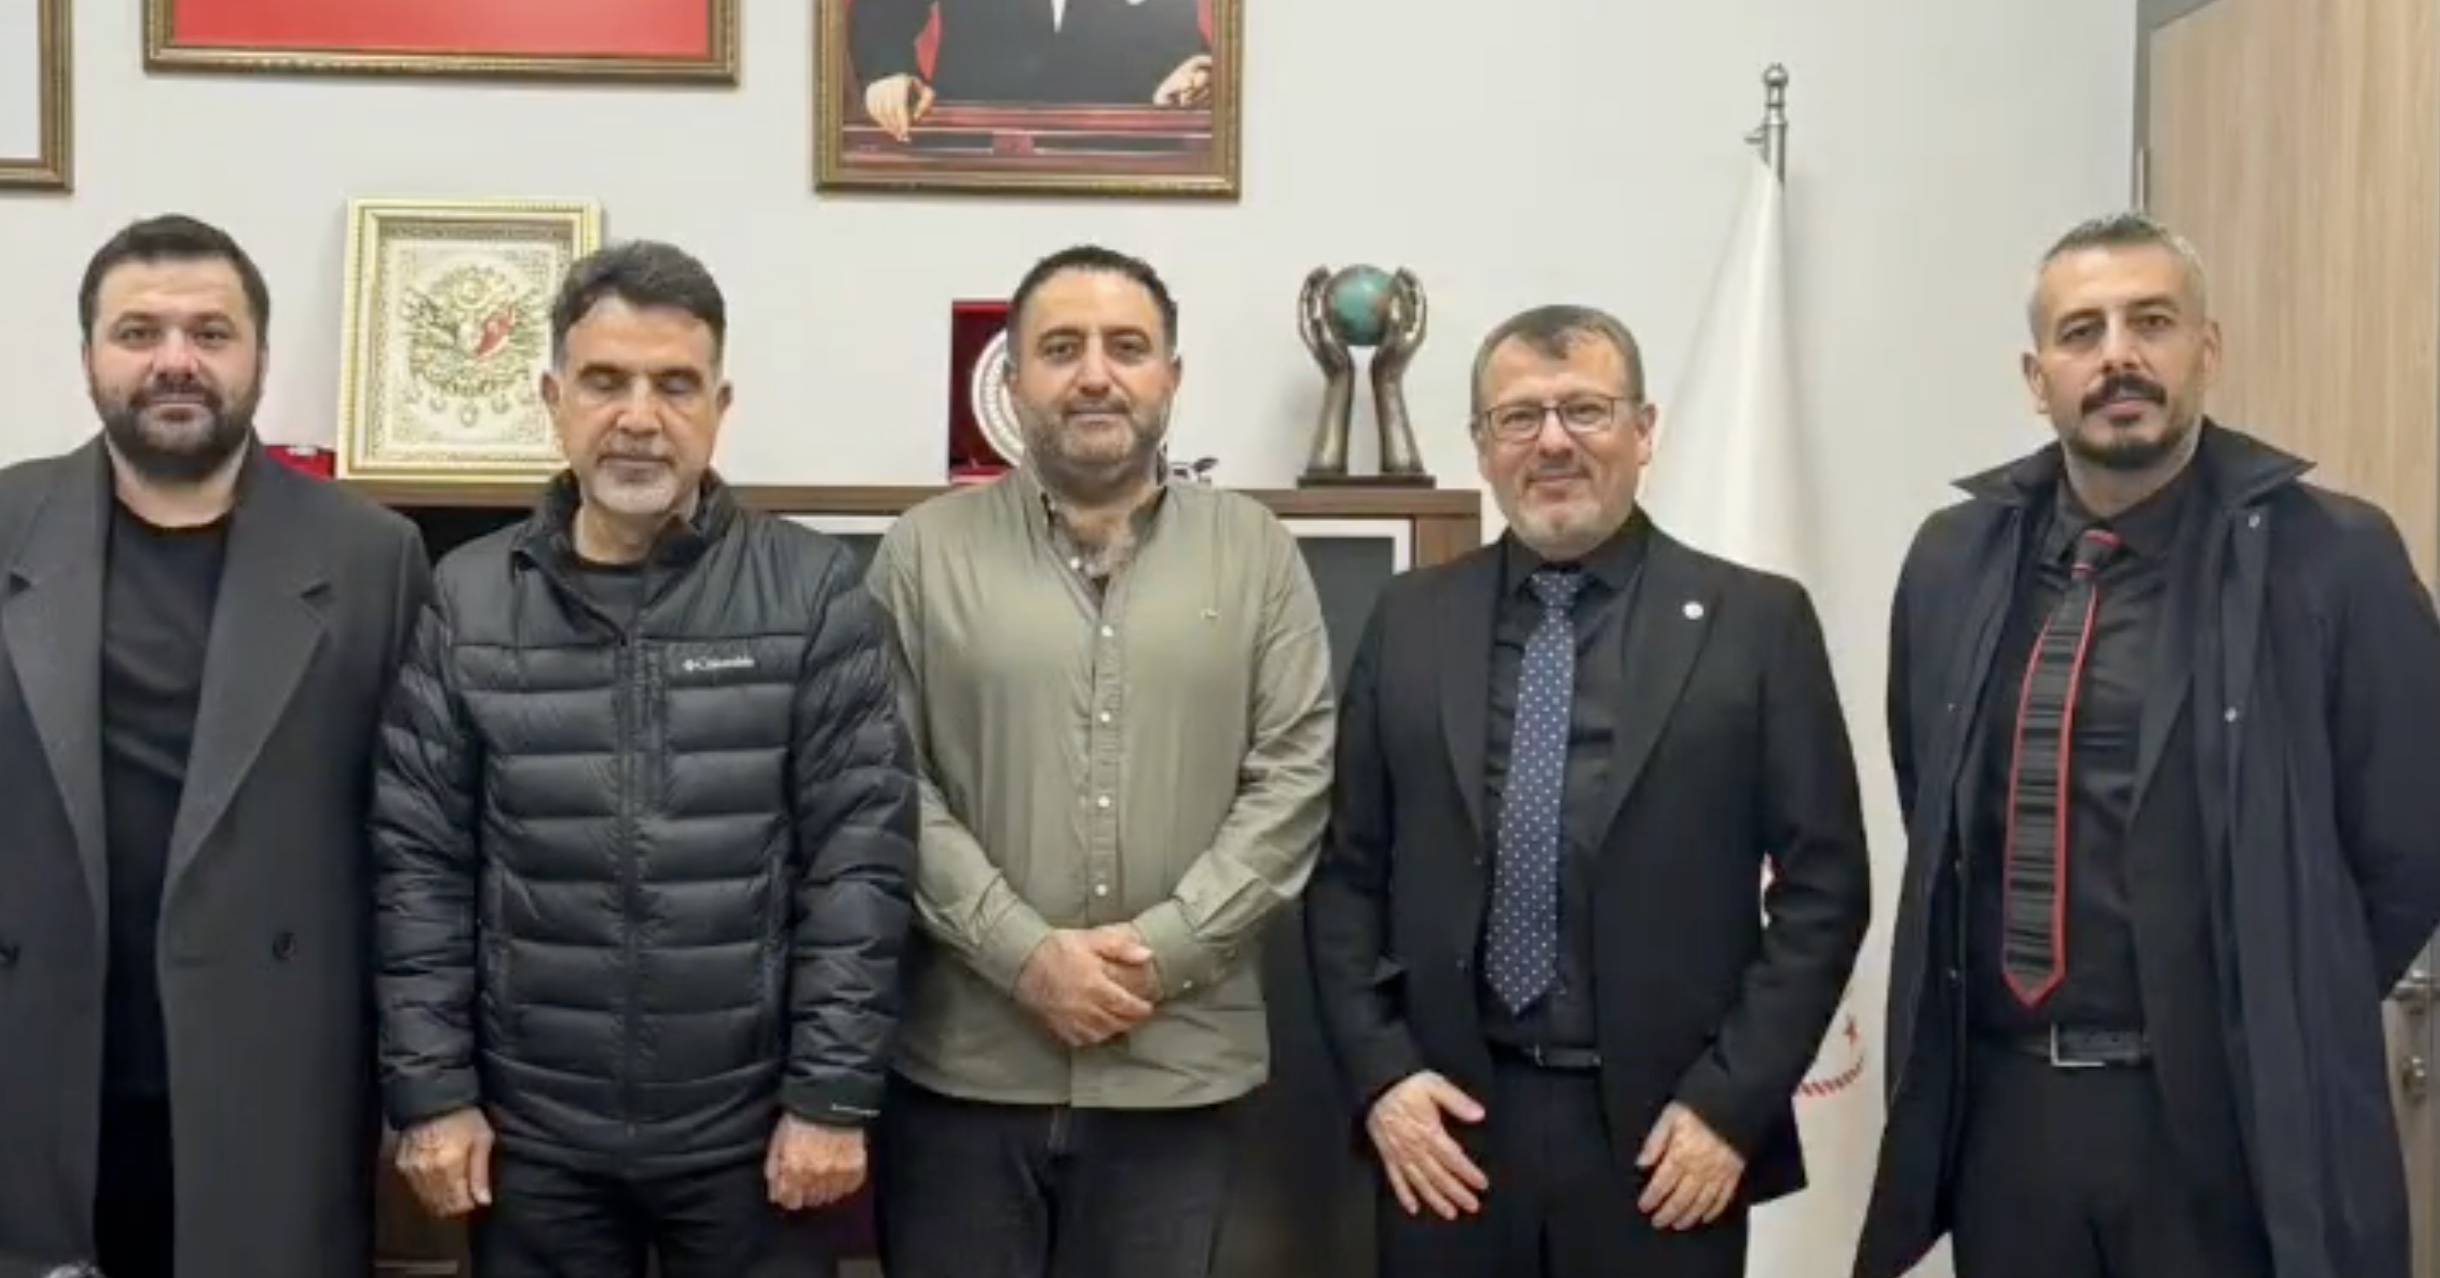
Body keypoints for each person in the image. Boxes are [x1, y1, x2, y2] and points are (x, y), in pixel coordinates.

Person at [1854, 212, 2440, 1278]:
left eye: (2152, 323)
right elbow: (1930, 796)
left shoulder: (2334, 558)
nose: (2117, 356)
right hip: (2008, 1116)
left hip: (2225, 1121)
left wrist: (2285, 993)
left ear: (2206, 350)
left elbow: (2409, 843)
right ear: (2036, 377)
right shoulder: (1953, 559)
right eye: (2082, 332)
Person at [371, 240, 917, 1278]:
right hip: (534, 1142)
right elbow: (419, 867)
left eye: (674, 385)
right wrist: (433, 1094)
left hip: (757, 1139)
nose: (638, 417)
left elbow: (861, 863)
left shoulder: (812, 594)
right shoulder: (468, 598)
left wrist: (830, 1098)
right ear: (553, 399)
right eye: (604, 381)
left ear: (719, 406)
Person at [1305, 304, 1871, 1278]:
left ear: (1643, 432)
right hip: (1447, 1138)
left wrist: (1729, 1104)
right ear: (1482, 447)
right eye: (1519, 418)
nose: (1553, 442)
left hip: (1665, 1144)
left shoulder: (1755, 623)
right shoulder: (1410, 619)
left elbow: (1826, 888)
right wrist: (1382, 1079)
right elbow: (1346, 873)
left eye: (1585, 410)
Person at [865, 244, 1333, 1278]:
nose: (1094, 375)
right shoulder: (922, 553)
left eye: (1126, 347)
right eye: (1060, 348)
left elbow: (1294, 780)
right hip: (966, 1073)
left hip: (1179, 1073)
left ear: (1172, 375)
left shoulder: (1256, 553)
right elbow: (887, 783)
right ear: (1012, 379)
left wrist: (1163, 951)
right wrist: (1024, 956)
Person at [0, 214, 432, 1277]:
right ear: (89, 357)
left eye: (210, 332)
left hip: (274, 1082)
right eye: (138, 332)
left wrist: (425, 1088)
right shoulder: (5, 523)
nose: (175, 360)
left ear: (260, 357)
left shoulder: (372, 557)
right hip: (36, 1073)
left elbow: (417, 850)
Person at [851, 0, 1214, 141]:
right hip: (972, 154)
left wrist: (1191, 72)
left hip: (1116, 158)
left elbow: (1182, 46)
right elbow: (881, 19)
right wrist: (889, 74)